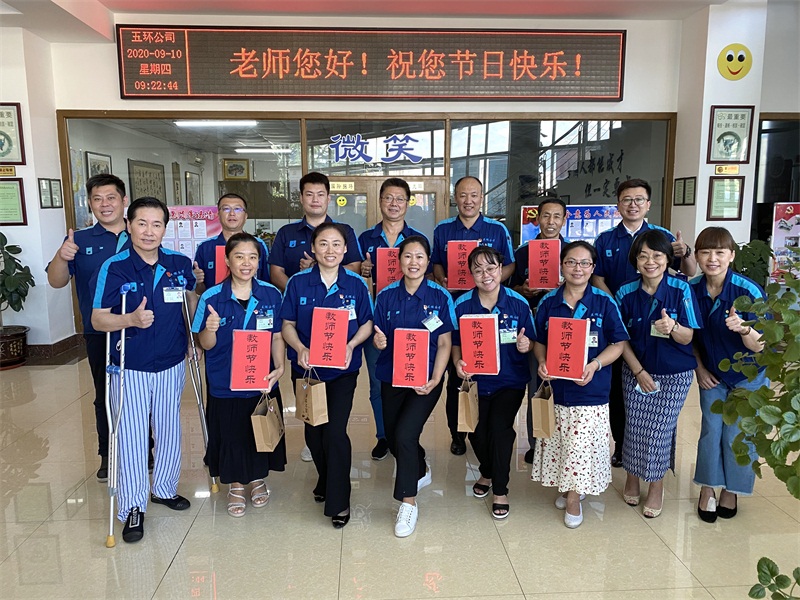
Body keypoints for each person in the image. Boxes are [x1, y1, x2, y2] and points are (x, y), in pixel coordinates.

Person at [91, 197, 197, 543]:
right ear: (129, 225)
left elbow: (188, 304)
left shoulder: (179, 264)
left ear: (165, 228)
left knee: (169, 428)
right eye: (141, 223)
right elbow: (98, 319)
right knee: (133, 435)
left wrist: (194, 337)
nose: (149, 231)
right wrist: (130, 319)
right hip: (130, 366)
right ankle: (133, 505)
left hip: (171, 361)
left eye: (156, 224)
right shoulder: (115, 267)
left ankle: (164, 488)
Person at [592, 178, 697, 468]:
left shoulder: (663, 236)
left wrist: (686, 251)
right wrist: (614, 308)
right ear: (618, 205)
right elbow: (598, 278)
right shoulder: (605, 239)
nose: (633, 204)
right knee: (619, 391)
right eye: (627, 199)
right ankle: (621, 446)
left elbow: (689, 271)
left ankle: (656, 460)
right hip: (620, 317)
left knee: (657, 406)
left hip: (658, 319)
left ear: (648, 204)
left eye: (639, 199)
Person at [280, 222, 373, 528]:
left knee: (334, 432)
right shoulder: (298, 283)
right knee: (314, 433)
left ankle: (339, 499)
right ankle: (325, 478)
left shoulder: (356, 284)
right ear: (313, 248)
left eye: (336, 244)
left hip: (343, 371)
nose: (330, 250)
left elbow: (367, 323)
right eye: (323, 244)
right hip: (307, 371)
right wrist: (300, 347)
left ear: (345, 249)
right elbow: (287, 324)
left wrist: (351, 344)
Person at [531, 241, 629, 529]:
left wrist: (594, 364)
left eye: (585, 263)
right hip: (557, 389)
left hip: (590, 388)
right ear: (562, 265)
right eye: (571, 262)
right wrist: (542, 361)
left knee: (580, 445)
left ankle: (574, 499)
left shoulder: (604, 302)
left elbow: (618, 343)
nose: (578, 268)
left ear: (593, 267)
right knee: (562, 442)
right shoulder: (548, 302)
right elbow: (539, 341)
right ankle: (569, 486)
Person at [192, 233, 286, 517]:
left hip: (261, 379)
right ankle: (235, 484)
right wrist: (209, 328)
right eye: (239, 257)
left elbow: (277, 336)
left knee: (259, 430)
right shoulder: (211, 297)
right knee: (231, 433)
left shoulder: (271, 294)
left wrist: (280, 367)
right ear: (227, 260)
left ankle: (257, 479)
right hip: (225, 380)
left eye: (252, 257)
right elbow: (204, 344)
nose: (247, 263)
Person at [270, 172, 362, 463]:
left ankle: (335, 482)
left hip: (341, 359)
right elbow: (276, 274)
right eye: (308, 194)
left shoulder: (345, 234)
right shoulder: (287, 235)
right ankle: (321, 462)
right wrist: (304, 284)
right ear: (301, 198)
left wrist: (324, 277)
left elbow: (356, 271)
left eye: (320, 194)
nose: (314, 199)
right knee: (313, 427)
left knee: (334, 431)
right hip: (306, 354)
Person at [46, 174, 133, 482]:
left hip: (141, 328)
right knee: (105, 394)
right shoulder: (79, 240)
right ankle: (109, 453)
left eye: (111, 198)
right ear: (90, 204)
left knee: (141, 392)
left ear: (124, 201)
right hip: (100, 332)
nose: (104, 204)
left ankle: (143, 448)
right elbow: (56, 281)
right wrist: (62, 256)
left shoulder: (142, 232)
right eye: (97, 199)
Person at [615, 230, 702, 518]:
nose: (650, 262)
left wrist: (673, 328)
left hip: (674, 373)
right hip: (635, 370)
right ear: (635, 260)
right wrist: (638, 371)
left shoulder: (681, 289)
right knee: (634, 426)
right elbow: (620, 339)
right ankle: (632, 475)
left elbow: (688, 337)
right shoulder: (625, 292)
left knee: (659, 431)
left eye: (657, 255)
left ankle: (656, 484)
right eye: (643, 256)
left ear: (667, 259)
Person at [372, 235, 454, 537]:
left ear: (428, 261)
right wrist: (379, 341)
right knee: (394, 438)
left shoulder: (440, 297)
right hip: (391, 376)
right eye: (408, 256)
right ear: (399, 260)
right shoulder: (386, 295)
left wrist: (436, 378)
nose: (414, 262)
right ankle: (419, 467)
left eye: (420, 257)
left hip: (426, 380)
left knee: (406, 434)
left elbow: (444, 343)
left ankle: (408, 503)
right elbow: (378, 336)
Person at [431, 176, 515, 455]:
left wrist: (489, 281)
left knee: (483, 368)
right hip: (456, 308)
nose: (469, 200)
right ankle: (457, 434)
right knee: (457, 375)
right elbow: (436, 263)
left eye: (474, 195)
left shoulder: (497, 229)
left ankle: (483, 429)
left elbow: (510, 264)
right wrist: (443, 280)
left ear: (482, 198)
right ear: (455, 198)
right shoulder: (443, 229)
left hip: (489, 309)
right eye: (463, 195)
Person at [690, 227, 767, 523]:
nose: (713, 259)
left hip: (749, 375)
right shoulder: (690, 289)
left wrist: (744, 329)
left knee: (738, 433)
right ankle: (708, 487)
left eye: (720, 252)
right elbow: (689, 337)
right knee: (711, 431)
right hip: (711, 373)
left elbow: (761, 346)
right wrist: (699, 369)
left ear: (731, 256)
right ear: (697, 256)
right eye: (706, 252)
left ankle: (732, 489)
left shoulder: (748, 291)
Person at [453, 247, 535, 520]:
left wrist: (526, 345)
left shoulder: (518, 303)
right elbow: (455, 342)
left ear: (501, 269)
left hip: (509, 381)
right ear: (471, 274)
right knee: (476, 432)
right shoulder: (462, 305)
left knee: (500, 430)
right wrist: (457, 362)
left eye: (490, 268)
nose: (485, 275)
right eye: (478, 270)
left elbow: (532, 340)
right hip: (475, 382)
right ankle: (487, 471)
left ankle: (500, 489)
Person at [358, 177, 430, 462]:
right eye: (388, 198)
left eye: (400, 198)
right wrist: (363, 270)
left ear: (407, 203)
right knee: (379, 383)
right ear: (380, 201)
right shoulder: (366, 239)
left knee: (410, 379)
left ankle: (407, 436)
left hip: (411, 322)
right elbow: (353, 280)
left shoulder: (417, 239)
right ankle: (383, 436)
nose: (394, 203)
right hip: (377, 320)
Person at [510, 197, 567, 464]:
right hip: (534, 327)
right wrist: (524, 289)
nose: (551, 222)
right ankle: (537, 443)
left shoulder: (573, 252)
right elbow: (510, 289)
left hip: (566, 327)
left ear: (564, 220)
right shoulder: (523, 252)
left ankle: (562, 442)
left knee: (565, 384)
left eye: (556, 216)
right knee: (537, 384)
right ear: (537, 219)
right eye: (545, 216)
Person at [193, 193, 270, 295]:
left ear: (245, 216)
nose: (232, 213)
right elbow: (200, 291)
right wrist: (197, 282)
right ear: (218, 215)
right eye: (226, 209)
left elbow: (265, 282)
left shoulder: (258, 244)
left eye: (237, 209)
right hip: (215, 304)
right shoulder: (205, 247)